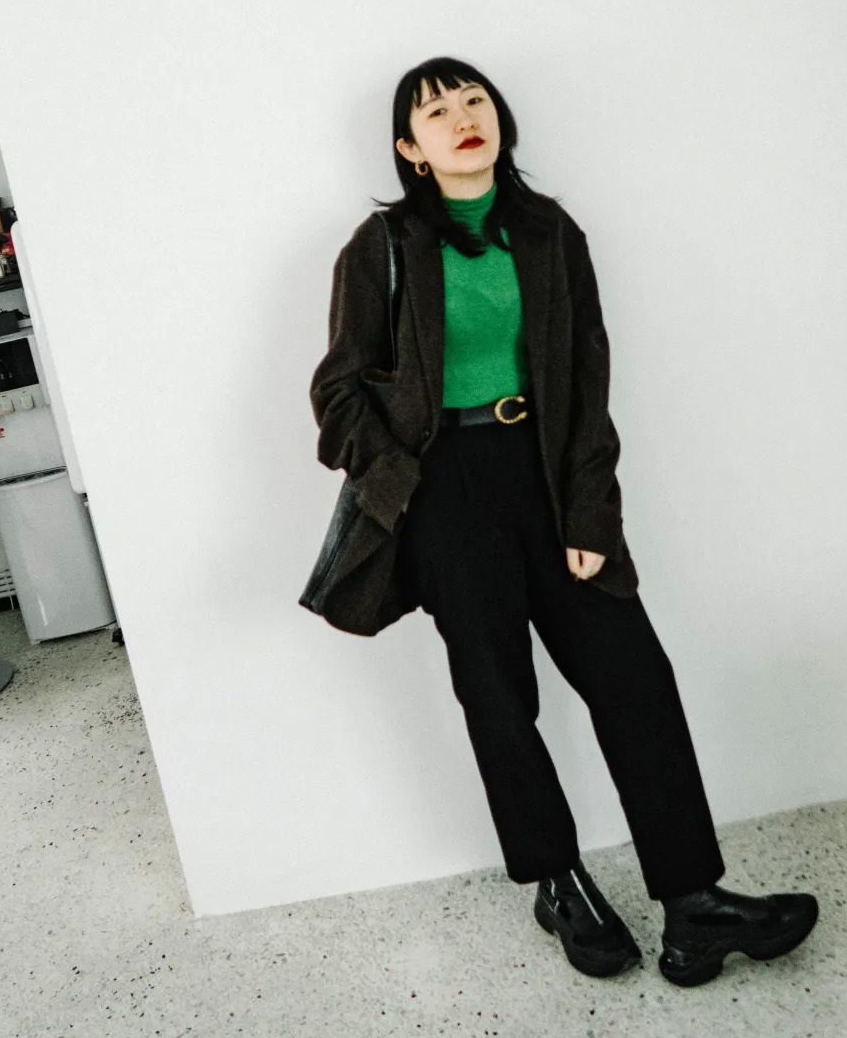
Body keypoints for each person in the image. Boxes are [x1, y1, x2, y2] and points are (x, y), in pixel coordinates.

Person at [308, 55, 818, 987]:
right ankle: (559, 881)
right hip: (445, 489)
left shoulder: (548, 233)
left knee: (635, 677)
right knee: (500, 698)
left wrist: (589, 512)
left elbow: (587, 383)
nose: (463, 117)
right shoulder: (382, 247)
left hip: (547, 474)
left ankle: (694, 904)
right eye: (436, 112)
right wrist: (405, 488)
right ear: (411, 150)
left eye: (474, 100)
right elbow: (337, 394)